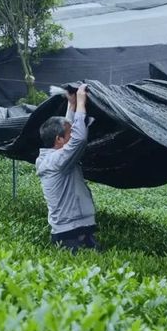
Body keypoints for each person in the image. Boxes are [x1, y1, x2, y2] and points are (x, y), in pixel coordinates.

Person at [36, 84, 97, 253]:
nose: (73, 131)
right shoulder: (56, 160)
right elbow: (79, 139)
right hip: (69, 232)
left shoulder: (54, 156)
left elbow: (68, 132)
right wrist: (81, 102)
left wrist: (71, 105)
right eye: (69, 133)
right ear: (59, 140)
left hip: (78, 226)